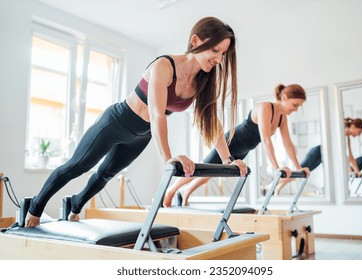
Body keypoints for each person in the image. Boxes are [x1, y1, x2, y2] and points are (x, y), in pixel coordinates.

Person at [25, 16, 248, 227]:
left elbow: (212, 122)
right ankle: (35, 207)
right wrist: (169, 159)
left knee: (106, 174)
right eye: (215, 50)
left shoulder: (204, 81)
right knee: (77, 166)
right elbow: (157, 114)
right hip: (117, 122)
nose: (219, 59)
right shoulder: (165, 65)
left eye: (223, 54)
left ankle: (75, 204)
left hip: (142, 134)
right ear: (195, 41)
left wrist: (229, 160)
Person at [163, 83, 311, 207]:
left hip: (244, 150)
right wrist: (276, 168)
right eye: (295, 105)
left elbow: (288, 144)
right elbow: (266, 139)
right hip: (231, 142)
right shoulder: (265, 107)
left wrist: (298, 167)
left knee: (209, 174)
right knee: (205, 166)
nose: (296, 109)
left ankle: (185, 192)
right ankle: (171, 190)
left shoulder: (282, 118)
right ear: (284, 98)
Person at [274, 117, 362, 194]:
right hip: (318, 152)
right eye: (359, 131)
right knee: (300, 173)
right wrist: (350, 170)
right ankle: (274, 185)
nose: (359, 135)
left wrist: (356, 172)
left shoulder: (346, 137)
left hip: (322, 154)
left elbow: (350, 156)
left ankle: (278, 186)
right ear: (353, 127)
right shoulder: (340, 133)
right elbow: (344, 156)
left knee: (301, 174)